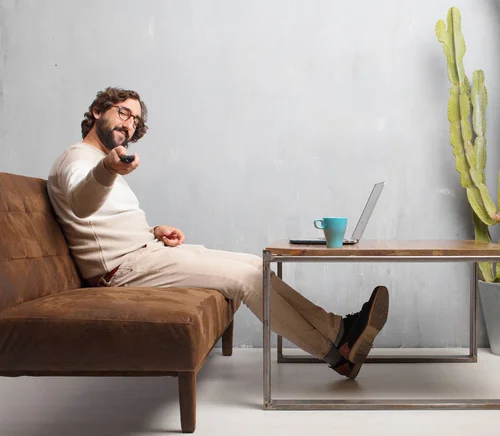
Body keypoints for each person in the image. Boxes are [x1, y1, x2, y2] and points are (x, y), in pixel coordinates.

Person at [47, 87, 389, 379]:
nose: (129, 123)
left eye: (135, 120)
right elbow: (81, 203)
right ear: (97, 111)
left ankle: (339, 329)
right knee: (245, 280)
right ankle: (336, 354)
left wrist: (154, 229)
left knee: (255, 265)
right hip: (123, 271)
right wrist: (107, 169)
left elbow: (101, 220)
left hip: (147, 253)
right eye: (123, 113)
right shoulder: (77, 160)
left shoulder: (99, 164)